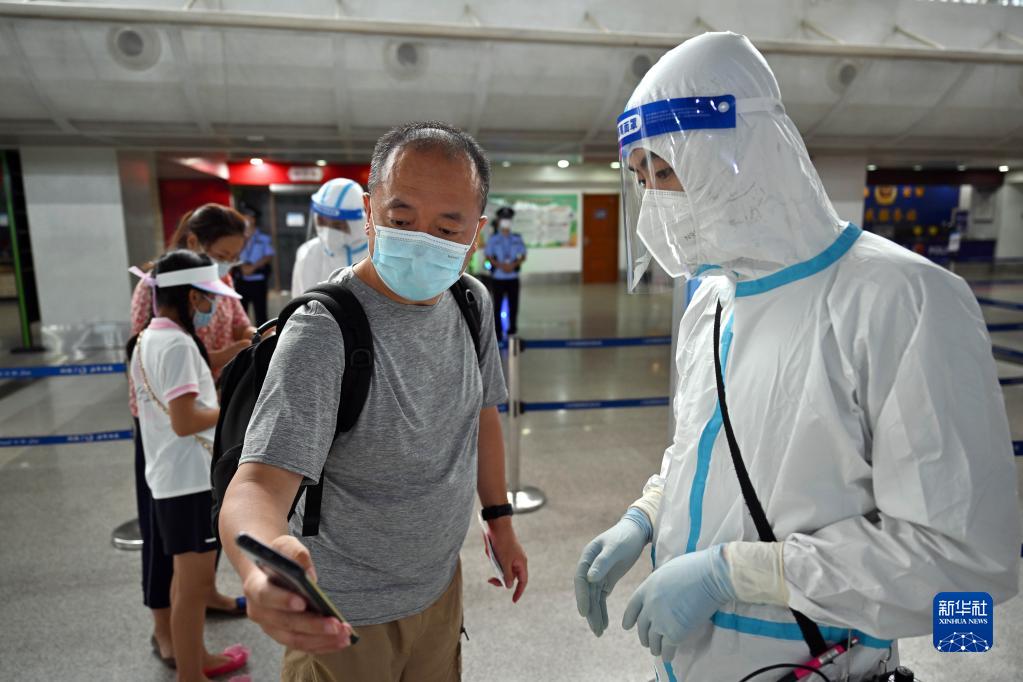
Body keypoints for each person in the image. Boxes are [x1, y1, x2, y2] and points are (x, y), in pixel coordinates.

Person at [575, 32, 1020, 682]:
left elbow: (965, 562)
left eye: (665, 171)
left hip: (812, 665)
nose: (655, 204)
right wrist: (645, 516)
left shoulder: (902, 298)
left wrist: (734, 573)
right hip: (686, 664)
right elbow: (702, 452)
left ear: (741, 152)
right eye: (641, 179)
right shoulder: (713, 300)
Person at [220, 121, 529, 682]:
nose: (423, 240)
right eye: (401, 220)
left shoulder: (470, 302)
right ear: (369, 211)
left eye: (447, 227)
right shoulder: (324, 330)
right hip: (342, 613)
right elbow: (259, 483)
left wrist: (499, 519)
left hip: (439, 587)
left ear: (475, 232)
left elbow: (482, 415)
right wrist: (258, 567)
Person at [128, 203, 254, 666]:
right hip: (184, 466)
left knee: (191, 572)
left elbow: (236, 324)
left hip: (176, 460)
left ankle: (192, 655)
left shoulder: (152, 337)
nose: (212, 302)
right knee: (182, 567)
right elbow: (183, 418)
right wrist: (232, 413)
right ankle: (182, 653)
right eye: (205, 298)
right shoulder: (176, 340)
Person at [291, 177, 369, 294]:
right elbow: (299, 299)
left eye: (337, 225)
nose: (328, 233)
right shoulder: (309, 253)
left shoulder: (376, 254)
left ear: (357, 224)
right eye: (322, 222)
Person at [483, 206, 527, 339]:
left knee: (514, 305)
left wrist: (513, 265)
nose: (506, 221)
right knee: (497, 305)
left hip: (513, 277)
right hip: (498, 277)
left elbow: (523, 255)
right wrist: (501, 266)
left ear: (511, 221)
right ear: (499, 221)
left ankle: (512, 330)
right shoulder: (493, 239)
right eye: (503, 219)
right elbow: (488, 256)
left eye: (508, 219)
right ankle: (498, 332)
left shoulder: (517, 238)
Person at [233, 212, 275, 325]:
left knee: (261, 314)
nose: (244, 219)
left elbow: (268, 255)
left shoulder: (263, 238)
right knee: (241, 314)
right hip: (241, 281)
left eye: (247, 217)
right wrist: (241, 267)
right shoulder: (238, 237)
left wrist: (253, 267)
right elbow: (233, 254)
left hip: (258, 280)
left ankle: (262, 336)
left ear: (253, 219)